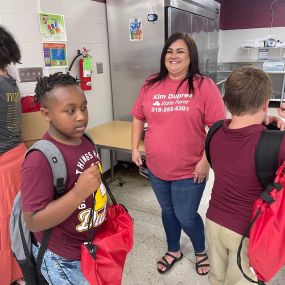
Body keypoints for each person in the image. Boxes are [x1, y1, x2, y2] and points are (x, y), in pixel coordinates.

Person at [131, 32, 226, 275]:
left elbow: (217, 128)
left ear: (190, 56)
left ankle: (201, 250)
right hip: (157, 167)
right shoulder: (151, 83)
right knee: (168, 211)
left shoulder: (203, 86)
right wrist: (134, 149)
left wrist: (206, 161)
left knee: (186, 215)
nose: (173, 56)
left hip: (190, 168)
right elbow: (138, 117)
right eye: (169, 51)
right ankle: (173, 249)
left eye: (180, 51)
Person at [20, 72, 107, 284]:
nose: (81, 116)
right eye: (70, 111)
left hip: (91, 244)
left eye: (84, 107)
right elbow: (33, 221)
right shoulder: (39, 159)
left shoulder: (85, 139)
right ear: (46, 114)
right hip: (64, 258)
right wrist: (79, 192)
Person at [205, 66, 285, 285]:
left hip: (213, 220)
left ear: (227, 101)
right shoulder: (277, 144)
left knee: (217, 277)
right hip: (248, 231)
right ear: (266, 104)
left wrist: (263, 119)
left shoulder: (215, 131)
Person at [0, 25, 26, 285]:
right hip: (18, 156)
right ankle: (21, 272)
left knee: (5, 226)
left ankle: (11, 275)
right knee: (17, 220)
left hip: (3, 166)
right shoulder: (9, 78)